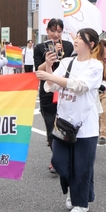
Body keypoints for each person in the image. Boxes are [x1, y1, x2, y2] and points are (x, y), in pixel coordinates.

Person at [36, 28, 105, 212]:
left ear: (91, 45)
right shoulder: (67, 62)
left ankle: (80, 202)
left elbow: (80, 86)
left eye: (81, 38)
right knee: (59, 162)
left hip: (85, 124)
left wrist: (50, 76)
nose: (76, 40)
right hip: (64, 122)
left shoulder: (96, 66)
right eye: (76, 37)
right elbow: (51, 87)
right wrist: (49, 67)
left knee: (82, 166)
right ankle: (76, 192)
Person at [35, 18, 74, 173]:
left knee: (66, 124)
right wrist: (48, 61)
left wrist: (61, 54)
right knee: (51, 126)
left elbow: (72, 65)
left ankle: (66, 156)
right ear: (47, 31)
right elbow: (39, 70)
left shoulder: (69, 46)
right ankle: (56, 158)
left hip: (65, 89)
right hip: (48, 90)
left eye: (59, 31)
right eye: (53, 30)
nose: (56, 34)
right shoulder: (40, 48)